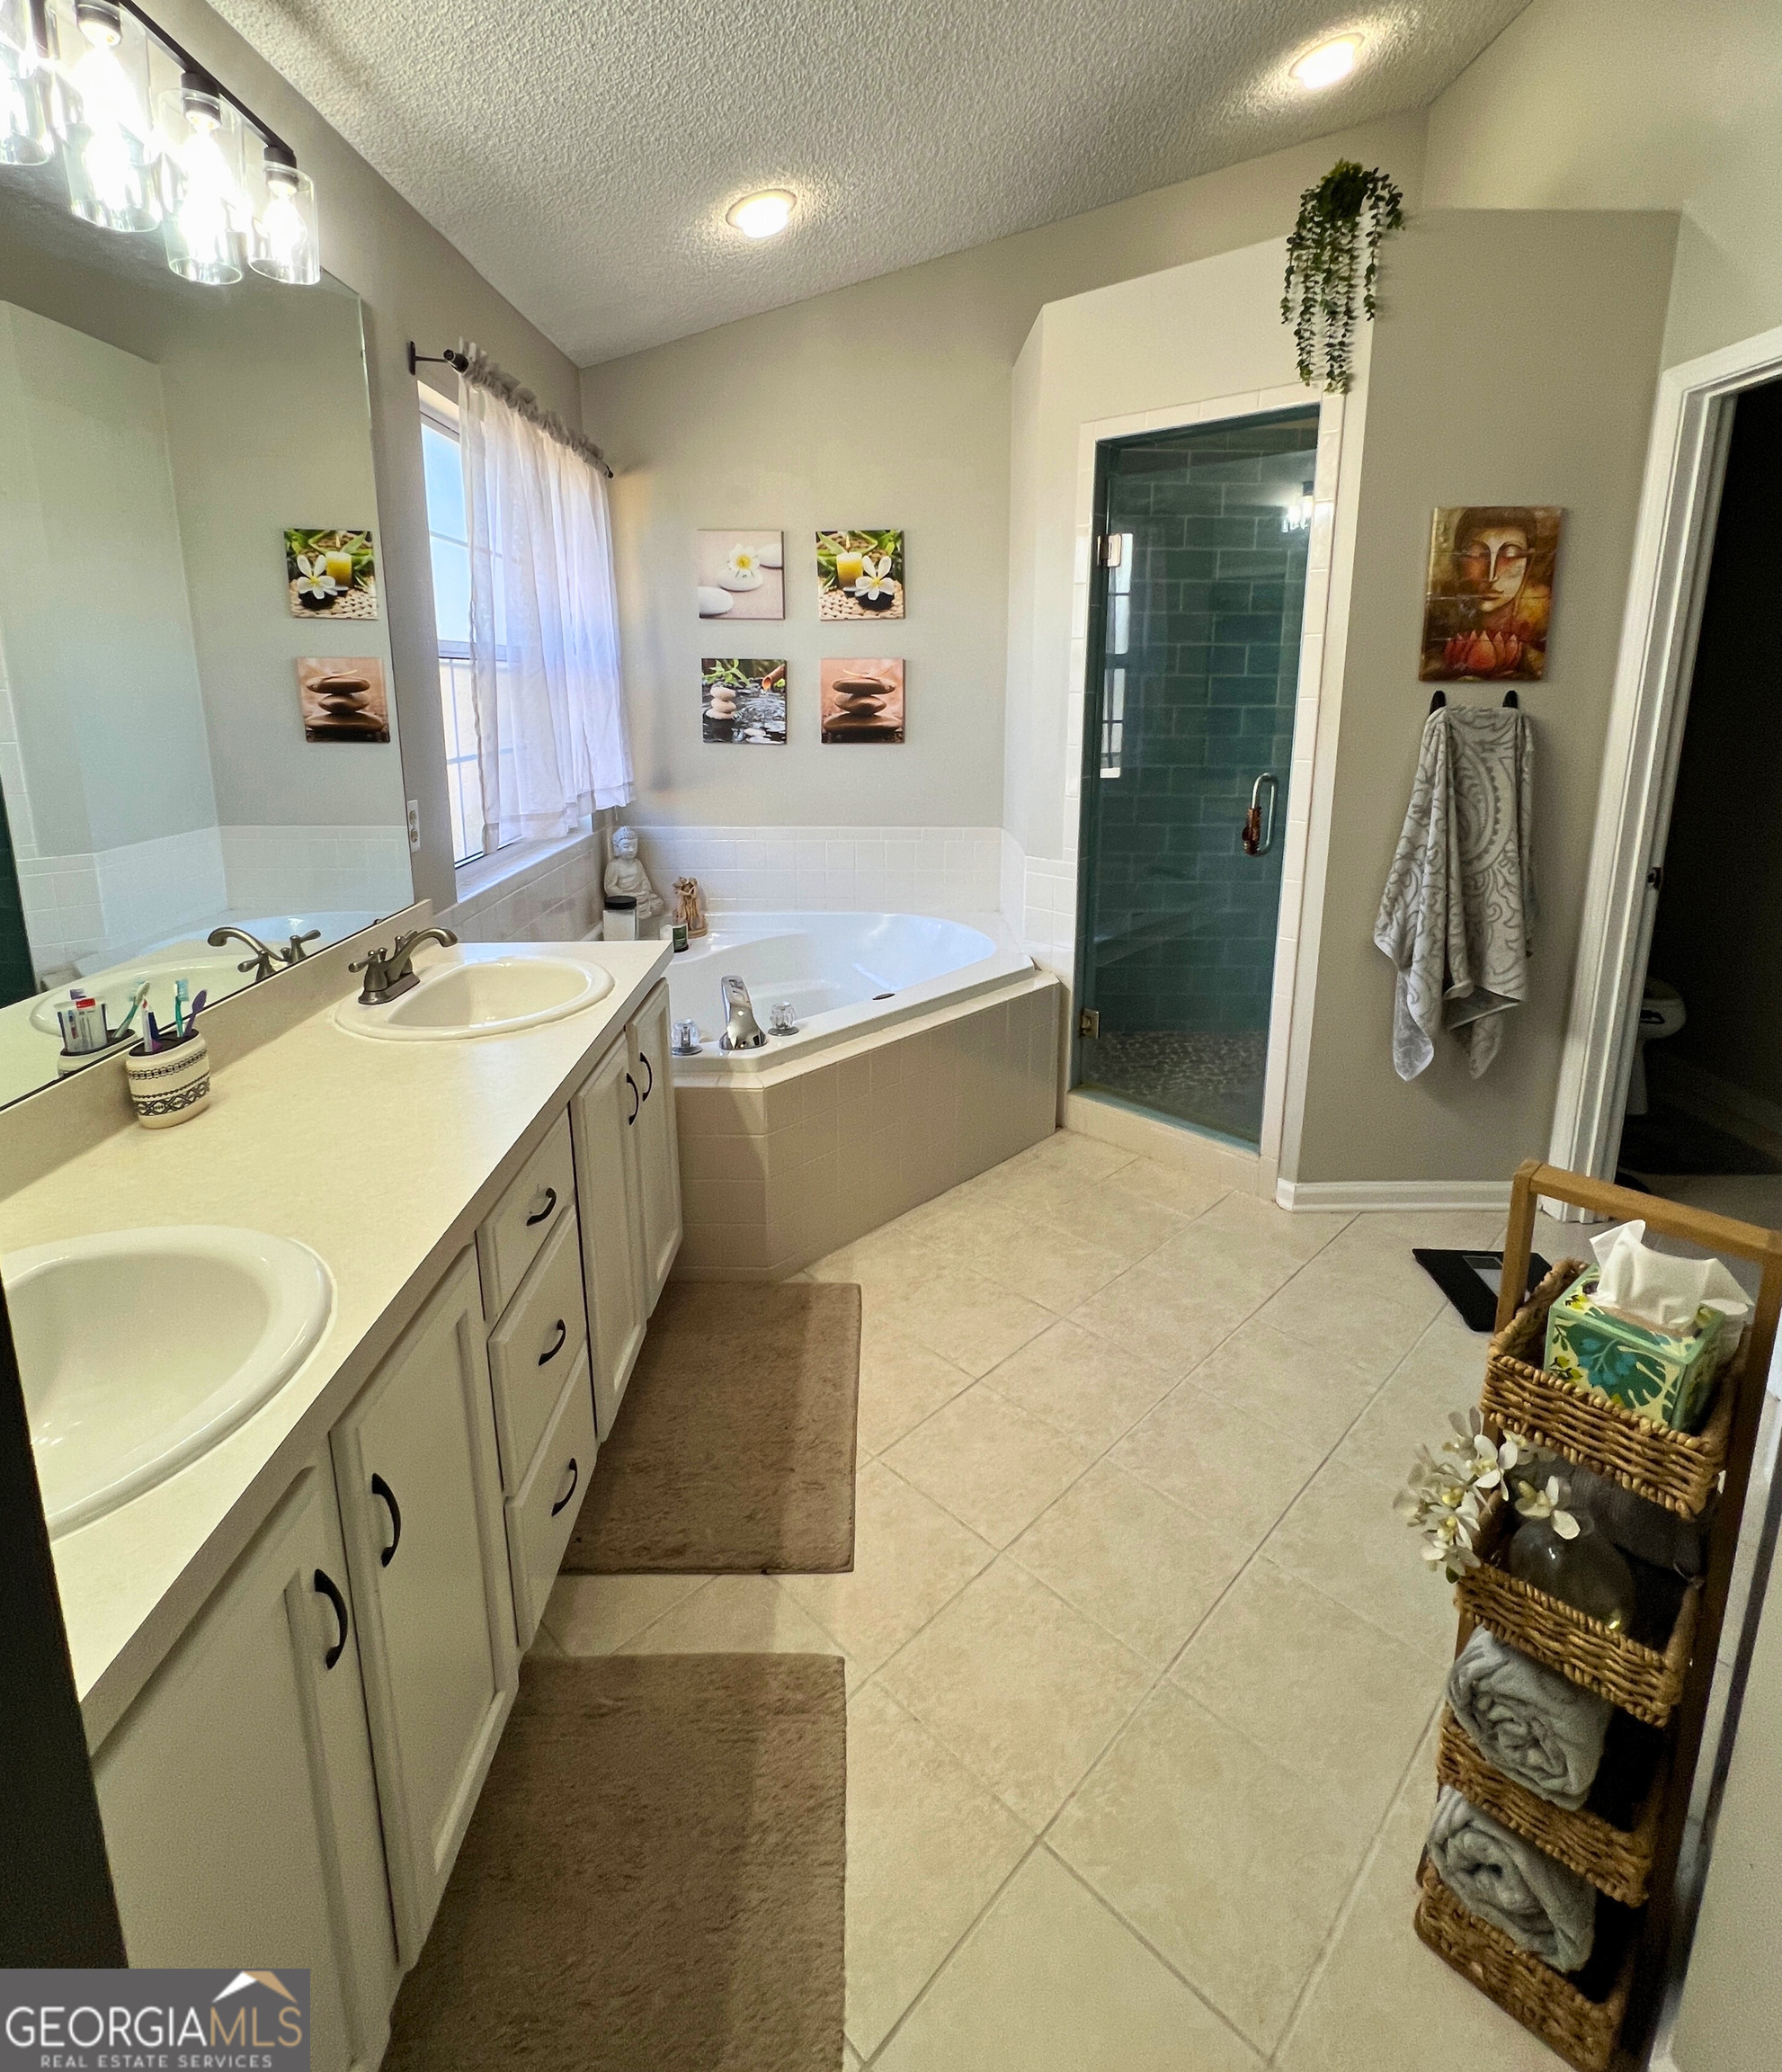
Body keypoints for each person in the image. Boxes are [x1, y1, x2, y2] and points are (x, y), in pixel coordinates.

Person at [604, 826, 664, 922]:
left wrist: (645, 891)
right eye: (626, 846)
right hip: (625, 898)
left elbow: (644, 880)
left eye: (634, 846)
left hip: (639, 895)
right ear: (617, 847)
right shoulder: (614, 865)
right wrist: (626, 895)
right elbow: (610, 887)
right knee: (631, 908)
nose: (631, 850)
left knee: (658, 904)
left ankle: (641, 914)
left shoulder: (637, 863)